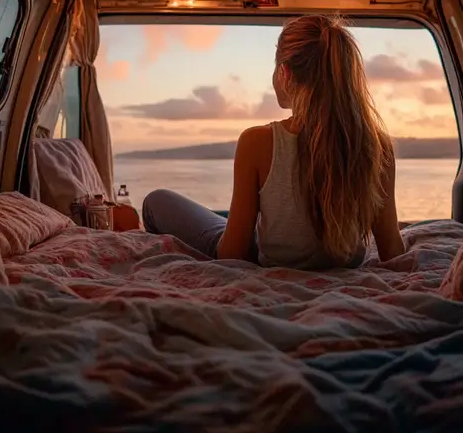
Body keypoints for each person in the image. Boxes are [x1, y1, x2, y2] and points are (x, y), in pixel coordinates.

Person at [142, 14, 405, 269]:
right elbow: (391, 250)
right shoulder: (377, 146)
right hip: (345, 262)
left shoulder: (257, 142)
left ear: (285, 73)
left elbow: (233, 253)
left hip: (271, 257)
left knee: (156, 201)